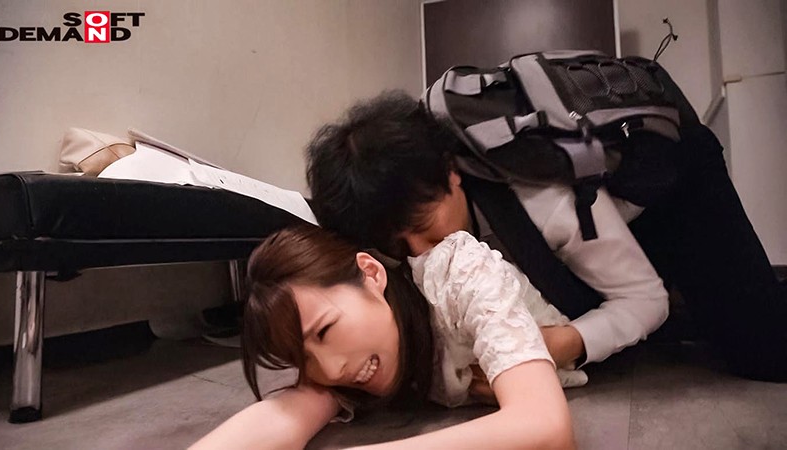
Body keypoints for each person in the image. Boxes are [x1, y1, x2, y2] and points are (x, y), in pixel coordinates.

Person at [305, 90, 787, 382]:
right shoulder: (407, 223)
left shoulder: (539, 199)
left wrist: (563, 343)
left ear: (451, 172)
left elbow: (645, 299)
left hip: (674, 177)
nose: (419, 253)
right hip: (605, 221)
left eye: (424, 229)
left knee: (761, 349)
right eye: (398, 245)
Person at [191, 225, 576, 449]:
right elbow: (285, 415)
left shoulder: (459, 274)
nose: (331, 369)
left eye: (324, 330)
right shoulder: (354, 362)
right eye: (302, 358)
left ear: (371, 274)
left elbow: (546, 426)